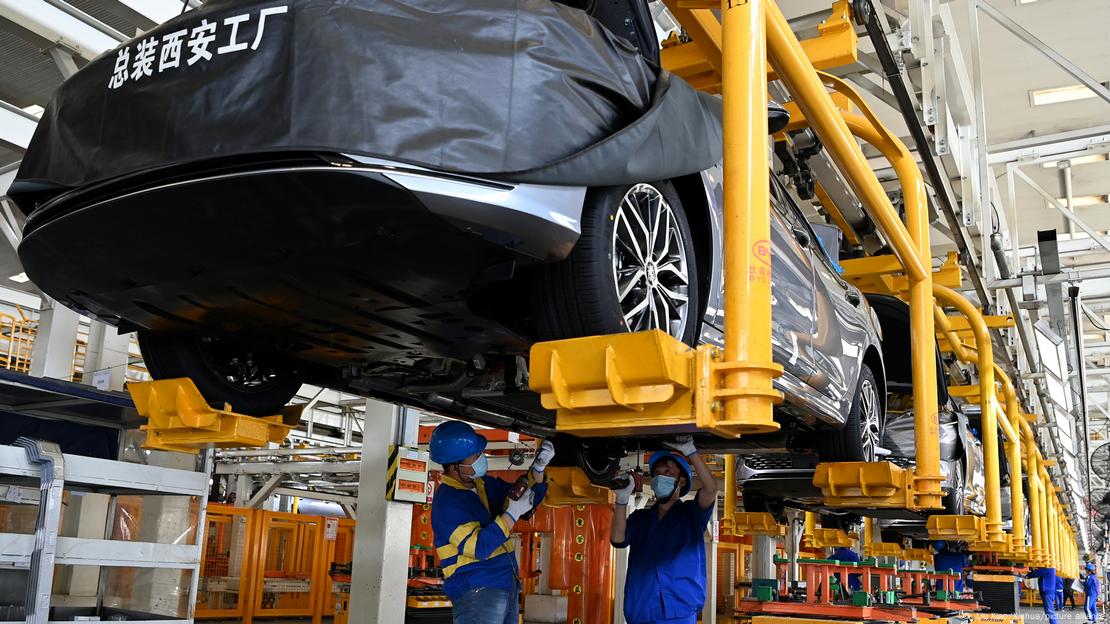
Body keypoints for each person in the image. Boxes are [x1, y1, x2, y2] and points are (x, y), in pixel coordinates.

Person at [429, 421, 554, 624]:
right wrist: (511, 513)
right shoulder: (448, 502)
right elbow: (479, 546)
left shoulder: (483, 485)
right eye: (475, 456)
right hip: (477, 589)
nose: (481, 459)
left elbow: (523, 498)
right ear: (454, 467)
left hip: (505, 583)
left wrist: (538, 468)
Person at [610, 435, 718, 624]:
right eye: (657, 473)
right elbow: (618, 539)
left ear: (682, 481)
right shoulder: (641, 518)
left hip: (679, 612)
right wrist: (621, 500)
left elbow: (710, 489)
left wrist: (691, 452)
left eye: (668, 472)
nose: (661, 477)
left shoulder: (691, 515)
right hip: (642, 610)